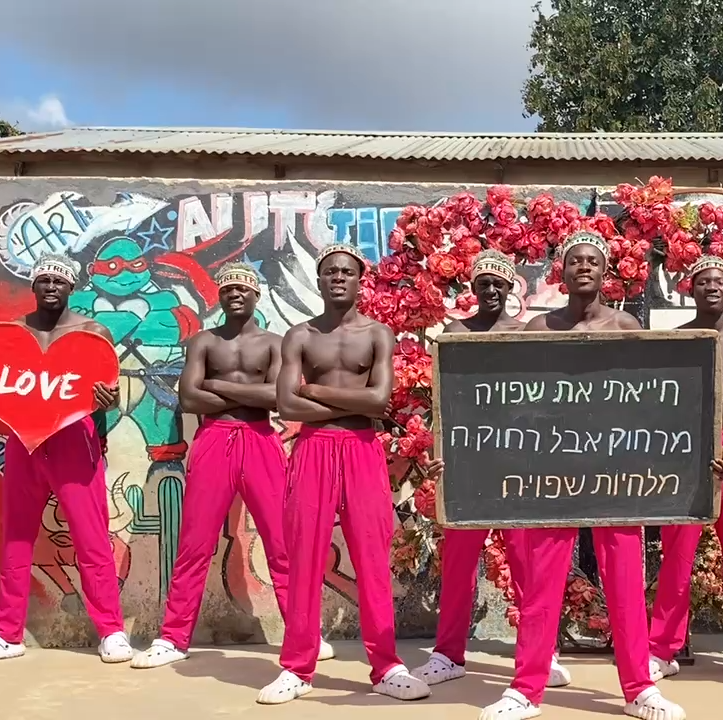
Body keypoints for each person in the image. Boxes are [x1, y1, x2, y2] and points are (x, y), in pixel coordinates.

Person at [480, 230, 694, 720]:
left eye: (592, 261)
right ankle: (526, 688)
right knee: (541, 585)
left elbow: (650, 400)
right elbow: (516, 399)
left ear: (605, 272)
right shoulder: (539, 328)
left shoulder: (624, 326)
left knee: (625, 583)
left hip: (614, 473)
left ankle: (639, 688)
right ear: (562, 270)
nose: (583, 267)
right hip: (553, 472)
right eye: (574, 260)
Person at [132, 263, 334, 669]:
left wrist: (216, 385)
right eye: (228, 289)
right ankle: (173, 638)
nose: (235, 294)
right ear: (220, 297)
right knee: (194, 543)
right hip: (213, 440)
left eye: (243, 288)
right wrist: (245, 393)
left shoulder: (275, 343)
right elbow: (189, 398)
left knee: (282, 542)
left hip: (260, 440)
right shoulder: (204, 342)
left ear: (256, 295)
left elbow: (276, 398)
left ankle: (304, 634)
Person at [256, 244, 430, 704]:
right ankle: (297, 667)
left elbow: (379, 401)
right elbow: (286, 404)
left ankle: (386, 666)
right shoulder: (299, 335)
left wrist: (313, 390)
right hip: (313, 449)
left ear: (359, 281)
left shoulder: (377, 334)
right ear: (319, 280)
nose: (338, 277)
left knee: (372, 556)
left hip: (361, 450)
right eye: (330, 271)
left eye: (346, 272)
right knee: (304, 557)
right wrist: (341, 401)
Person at [0, 252, 132, 665]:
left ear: (71, 287)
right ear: (33, 286)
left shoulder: (93, 332)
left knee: (91, 538)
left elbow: (108, 394)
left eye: (59, 281)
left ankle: (111, 631)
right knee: (17, 537)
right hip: (24, 442)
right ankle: (6, 635)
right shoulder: (10, 333)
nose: (51, 287)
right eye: (44, 280)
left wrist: (109, 399)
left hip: (74, 442)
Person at [412, 250, 572, 688]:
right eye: (483, 283)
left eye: (498, 284)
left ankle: (542, 653)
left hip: (518, 461)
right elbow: (444, 402)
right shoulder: (455, 334)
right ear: (473, 288)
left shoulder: (525, 335)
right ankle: (448, 654)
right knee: (459, 563)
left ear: (510, 289)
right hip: (468, 463)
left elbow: (542, 399)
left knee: (525, 562)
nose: (491, 291)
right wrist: (440, 451)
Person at [647, 255, 723, 682]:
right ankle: (662, 648)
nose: (711, 287)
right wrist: (722, 399)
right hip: (686, 447)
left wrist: (700, 395)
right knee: (678, 551)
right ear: (690, 289)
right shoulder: (677, 340)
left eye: (719, 281)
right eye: (703, 282)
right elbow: (664, 401)